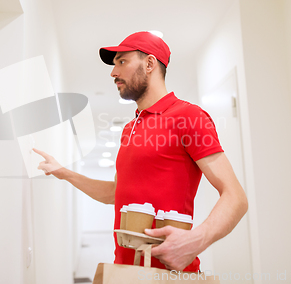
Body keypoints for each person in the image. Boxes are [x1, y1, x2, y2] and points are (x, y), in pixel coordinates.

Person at [33, 31, 248, 272]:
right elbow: (115, 193)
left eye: (122, 62)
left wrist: (196, 240)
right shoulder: (130, 127)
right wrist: (64, 172)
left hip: (171, 274)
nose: (113, 73)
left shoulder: (189, 117)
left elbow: (236, 197)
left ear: (149, 64)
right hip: (126, 271)